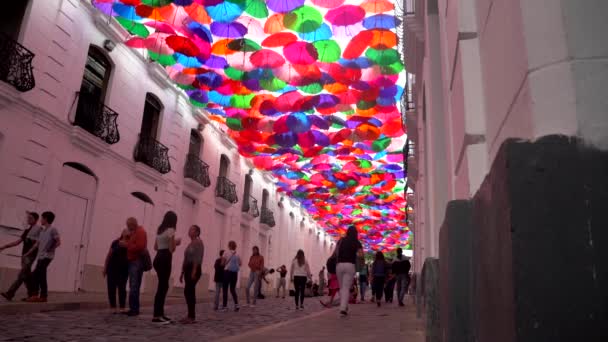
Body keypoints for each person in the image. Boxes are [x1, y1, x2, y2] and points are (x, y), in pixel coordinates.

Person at [0, 212, 41, 301]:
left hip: (30, 256)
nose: (28, 220)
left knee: (22, 275)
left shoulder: (39, 229)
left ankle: (10, 293)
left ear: (36, 219)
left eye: (31, 218)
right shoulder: (27, 230)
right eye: (28, 218)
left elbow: (38, 244)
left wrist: (30, 253)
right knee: (27, 276)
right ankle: (33, 294)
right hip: (24, 255)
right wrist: (4, 246)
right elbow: (18, 242)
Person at [24, 211, 60, 303]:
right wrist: (28, 252)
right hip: (40, 257)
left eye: (42, 218)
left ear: (46, 219)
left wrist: (49, 249)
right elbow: (37, 244)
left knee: (36, 275)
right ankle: (41, 296)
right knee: (40, 275)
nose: (41, 220)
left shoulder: (53, 230)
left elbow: (58, 242)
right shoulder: (42, 231)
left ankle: (37, 295)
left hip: (47, 257)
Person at [153, 211, 180, 324]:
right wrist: (176, 242)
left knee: (162, 286)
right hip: (165, 258)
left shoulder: (160, 230)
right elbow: (171, 249)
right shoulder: (171, 230)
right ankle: (157, 315)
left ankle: (160, 314)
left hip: (158, 257)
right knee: (163, 287)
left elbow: (155, 247)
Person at [336, 225, 363, 317]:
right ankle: (343, 308)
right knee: (346, 287)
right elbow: (360, 255)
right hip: (350, 265)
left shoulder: (341, 240)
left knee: (342, 288)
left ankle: (344, 306)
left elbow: (336, 252)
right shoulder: (357, 242)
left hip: (339, 265)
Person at [179, 225, 204, 324]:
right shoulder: (191, 243)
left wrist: (194, 271)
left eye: (192, 229)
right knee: (188, 291)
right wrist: (182, 272)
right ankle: (190, 315)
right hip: (188, 269)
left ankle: (191, 316)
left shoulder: (198, 243)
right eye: (189, 229)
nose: (189, 231)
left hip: (194, 269)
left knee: (189, 291)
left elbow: (197, 258)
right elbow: (186, 259)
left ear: (197, 232)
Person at [103, 229, 130, 313]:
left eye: (128, 231)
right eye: (125, 231)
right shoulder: (115, 242)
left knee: (122, 288)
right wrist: (105, 267)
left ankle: (122, 307)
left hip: (124, 269)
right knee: (111, 287)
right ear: (122, 233)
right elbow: (109, 254)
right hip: (112, 268)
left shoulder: (131, 244)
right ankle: (113, 307)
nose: (126, 233)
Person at [124, 217, 147, 316]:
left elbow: (140, 246)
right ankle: (132, 308)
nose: (128, 227)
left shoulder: (140, 232)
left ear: (132, 224)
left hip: (136, 261)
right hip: (132, 261)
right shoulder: (134, 233)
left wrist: (127, 245)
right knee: (133, 285)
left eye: (128, 225)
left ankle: (134, 309)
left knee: (134, 286)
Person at [221, 240, 241, 312]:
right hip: (234, 273)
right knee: (232, 289)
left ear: (229, 246)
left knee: (225, 289)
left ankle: (225, 306)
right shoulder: (237, 254)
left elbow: (222, 263)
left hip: (227, 272)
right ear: (235, 246)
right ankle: (236, 304)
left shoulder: (226, 252)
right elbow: (240, 263)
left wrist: (224, 264)